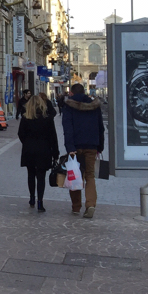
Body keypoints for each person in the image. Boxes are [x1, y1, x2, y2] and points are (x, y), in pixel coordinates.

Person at [61, 83, 104, 218]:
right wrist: (100, 146)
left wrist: (70, 148)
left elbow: (67, 128)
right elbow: (100, 128)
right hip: (91, 146)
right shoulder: (94, 106)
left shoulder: (69, 107)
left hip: (75, 146)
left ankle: (76, 206)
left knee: (75, 176)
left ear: (72, 93)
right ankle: (90, 204)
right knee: (90, 176)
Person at [18, 94, 60, 212]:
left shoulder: (25, 118)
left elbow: (20, 134)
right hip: (44, 150)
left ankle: (32, 198)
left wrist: (26, 143)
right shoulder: (47, 119)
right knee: (41, 177)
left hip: (29, 149)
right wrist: (55, 153)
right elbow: (53, 137)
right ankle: (40, 201)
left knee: (31, 174)